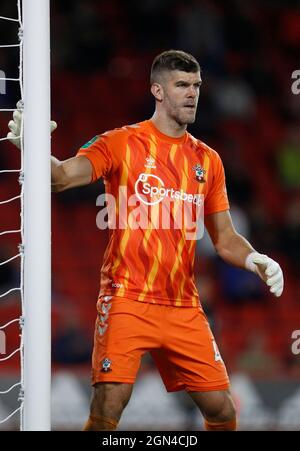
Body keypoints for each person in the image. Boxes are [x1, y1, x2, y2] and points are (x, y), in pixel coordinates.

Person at [7, 50, 284, 432]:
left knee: (222, 409)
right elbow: (61, 177)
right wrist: (31, 150)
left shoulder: (208, 160)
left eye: (197, 86)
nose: (192, 94)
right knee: (109, 405)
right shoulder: (122, 142)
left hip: (182, 305)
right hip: (127, 298)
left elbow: (225, 237)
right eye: (182, 85)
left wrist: (256, 259)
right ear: (158, 90)